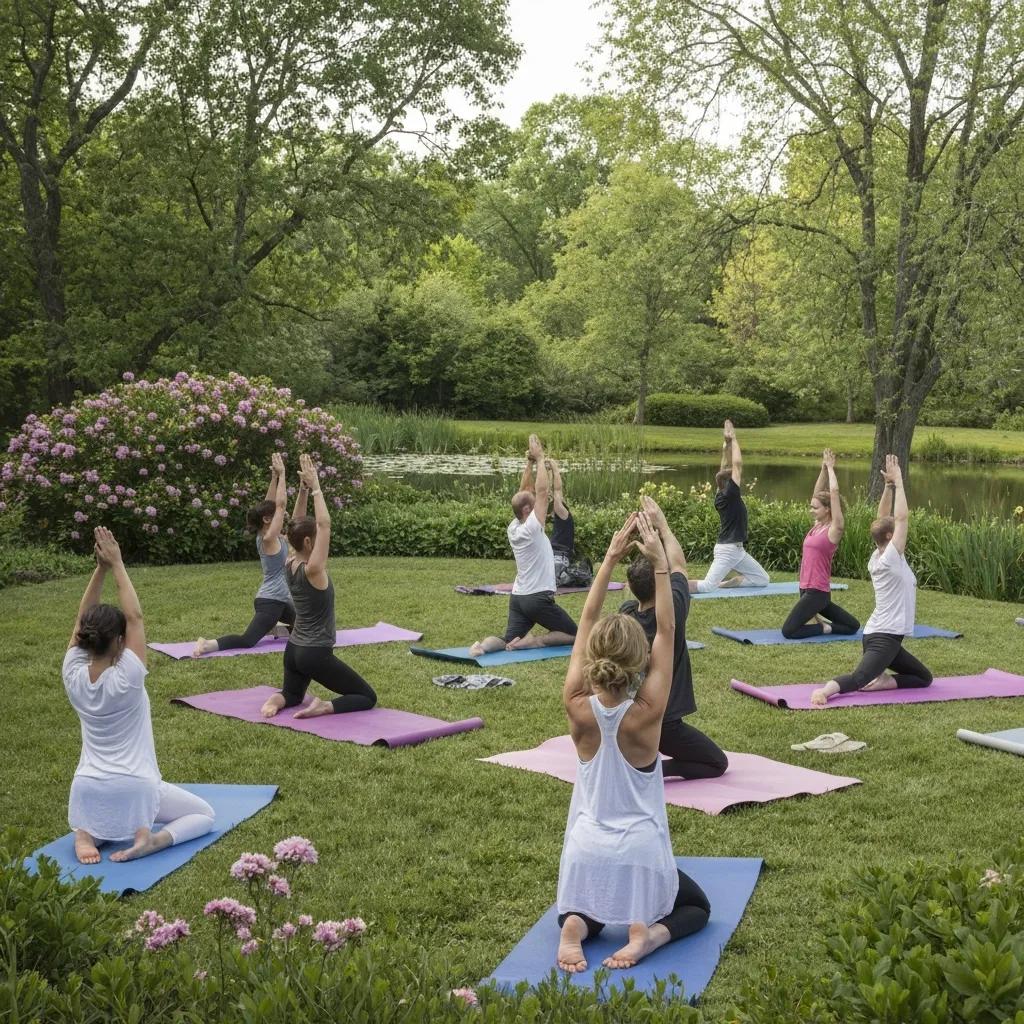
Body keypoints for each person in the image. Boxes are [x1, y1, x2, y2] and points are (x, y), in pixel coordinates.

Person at [556, 511, 711, 973]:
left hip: (585, 852)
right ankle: (649, 932)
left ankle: (574, 928)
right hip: (640, 853)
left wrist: (608, 561)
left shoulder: (576, 703)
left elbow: (585, 619)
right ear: (639, 658)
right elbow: (666, 629)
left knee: (582, 906)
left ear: (592, 658)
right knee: (696, 907)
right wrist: (661, 562)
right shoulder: (646, 714)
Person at [65, 527, 215, 864]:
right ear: (119, 642)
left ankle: (87, 833)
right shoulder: (127, 678)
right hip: (136, 787)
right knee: (203, 815)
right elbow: (135, 617)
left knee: (104, 816)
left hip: (85, 789)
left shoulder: (72, 672)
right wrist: (117, 564)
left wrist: (100, 568)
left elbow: (80, 619)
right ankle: (151, 841)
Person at [259, 455, 378, 720]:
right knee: (367, 697)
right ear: (310, 544)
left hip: (293, 649)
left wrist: (301, 488)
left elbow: (296, 525)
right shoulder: (314, 570)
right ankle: (323, 707)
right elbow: (324, 524)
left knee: (291, 694)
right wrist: (316, 488)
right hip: (314, 653)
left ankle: (273, 703)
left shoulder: (289, 562)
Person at [620, 496, 728, 779]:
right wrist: (663, 527)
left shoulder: (626, 615)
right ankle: (651, 770)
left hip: (626, 722)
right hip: (662, 724)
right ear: (661, 583)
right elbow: (679, 565)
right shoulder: (673, 613)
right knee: (717, 763)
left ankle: (639, 762)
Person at [811, 455, 931, 706]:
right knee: (860, 678)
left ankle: (885, 681)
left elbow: (883, 517)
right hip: (883, 636)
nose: (901, 535)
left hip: (885, 635)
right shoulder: (890, 559)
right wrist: (899, 481)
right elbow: (900, 519)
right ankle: (825, 690)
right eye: (895, 532)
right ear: (890, 535)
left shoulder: (881, 555)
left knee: (923, 677)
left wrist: (887, 487)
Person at [469, 435, 578, 655]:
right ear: (528, 511)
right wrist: (540, 459)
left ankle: (480, 647)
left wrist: (528, 464)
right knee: (575, 634)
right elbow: (542, 493)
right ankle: (533, 642)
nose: (541, 503)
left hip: (518, 597)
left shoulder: (514, 526)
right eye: (535, 503)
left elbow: (524, 492)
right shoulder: (532, 528)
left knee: (506, 638)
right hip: (537, 599)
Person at [193, 453, 294, 657]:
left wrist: (274, 478)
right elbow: (280, 506)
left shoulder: (264, 533)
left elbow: (270, 504)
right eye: (274, 517)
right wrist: (283, 475)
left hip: (282, 601)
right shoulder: (268, 539)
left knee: (307, 627)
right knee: (247, 640)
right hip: (271, 600)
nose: (280, 517)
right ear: (267, 520)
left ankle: (275, 627)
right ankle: (207, 644)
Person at [781, 449, 860, 639]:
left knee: (788, 631)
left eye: (815, 508)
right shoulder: (817, 525)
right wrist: (823, 468)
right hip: (805, 588)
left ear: (828, 509)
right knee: (852, 626)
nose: (811, 510)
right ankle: (828, 626)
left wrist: (832, 469)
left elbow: (833, 493)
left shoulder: (834, 529)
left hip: (817, 592)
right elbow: (818, 493)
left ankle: (823, 628)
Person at [689, 420, 770, 594]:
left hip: (738, 550)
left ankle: (729, 583)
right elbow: (737, 465)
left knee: (763, 579)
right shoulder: (730, 494)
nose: (737, 478)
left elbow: (724, 466)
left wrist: (726, 444)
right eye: (733, 477)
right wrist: (734, 438)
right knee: (706, 587)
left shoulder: (722, 493)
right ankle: (672, 585)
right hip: (728, 550)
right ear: (729, 483)